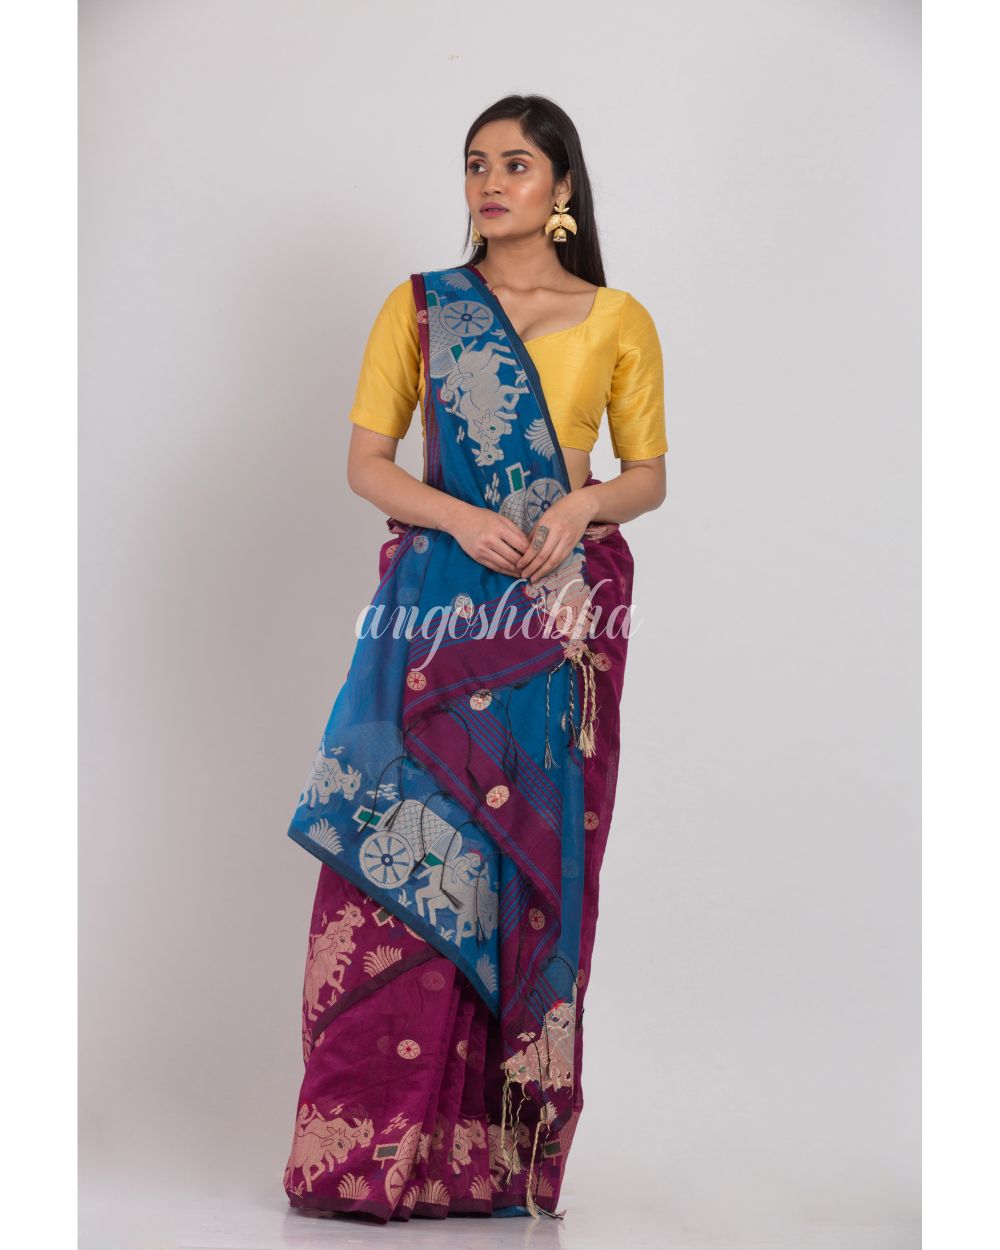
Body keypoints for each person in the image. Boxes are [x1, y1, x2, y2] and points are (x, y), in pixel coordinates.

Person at [281, 93, 668, 1222]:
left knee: (517, 870)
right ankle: (371, 1153)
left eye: (516, 165)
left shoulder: (617, 317)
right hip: (438, 615)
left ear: (562, 186)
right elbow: (367, 462)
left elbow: (648, 475)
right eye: (475, 164)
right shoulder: (422, 308)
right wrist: (457, 518)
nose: (491, 183)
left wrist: (584, 503)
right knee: (406, 861)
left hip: (553, 621)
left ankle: (489, 1162)